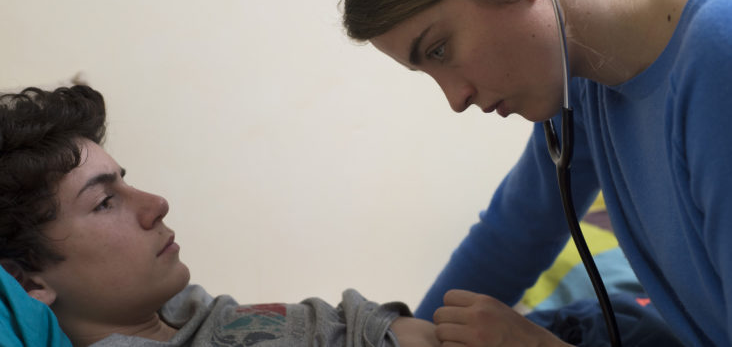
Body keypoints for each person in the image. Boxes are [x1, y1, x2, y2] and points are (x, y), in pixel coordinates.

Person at [342, 0, 732, 346]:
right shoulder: (590, 77)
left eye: (440, 50)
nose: (455, 99)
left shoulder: (729, 56)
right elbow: (513, 237)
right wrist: (416, 337)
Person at [0, 85, 440, 347]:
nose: (156, 204)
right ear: (28, 283)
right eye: (104, 203)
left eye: (125, 182)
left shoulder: (182, 312)